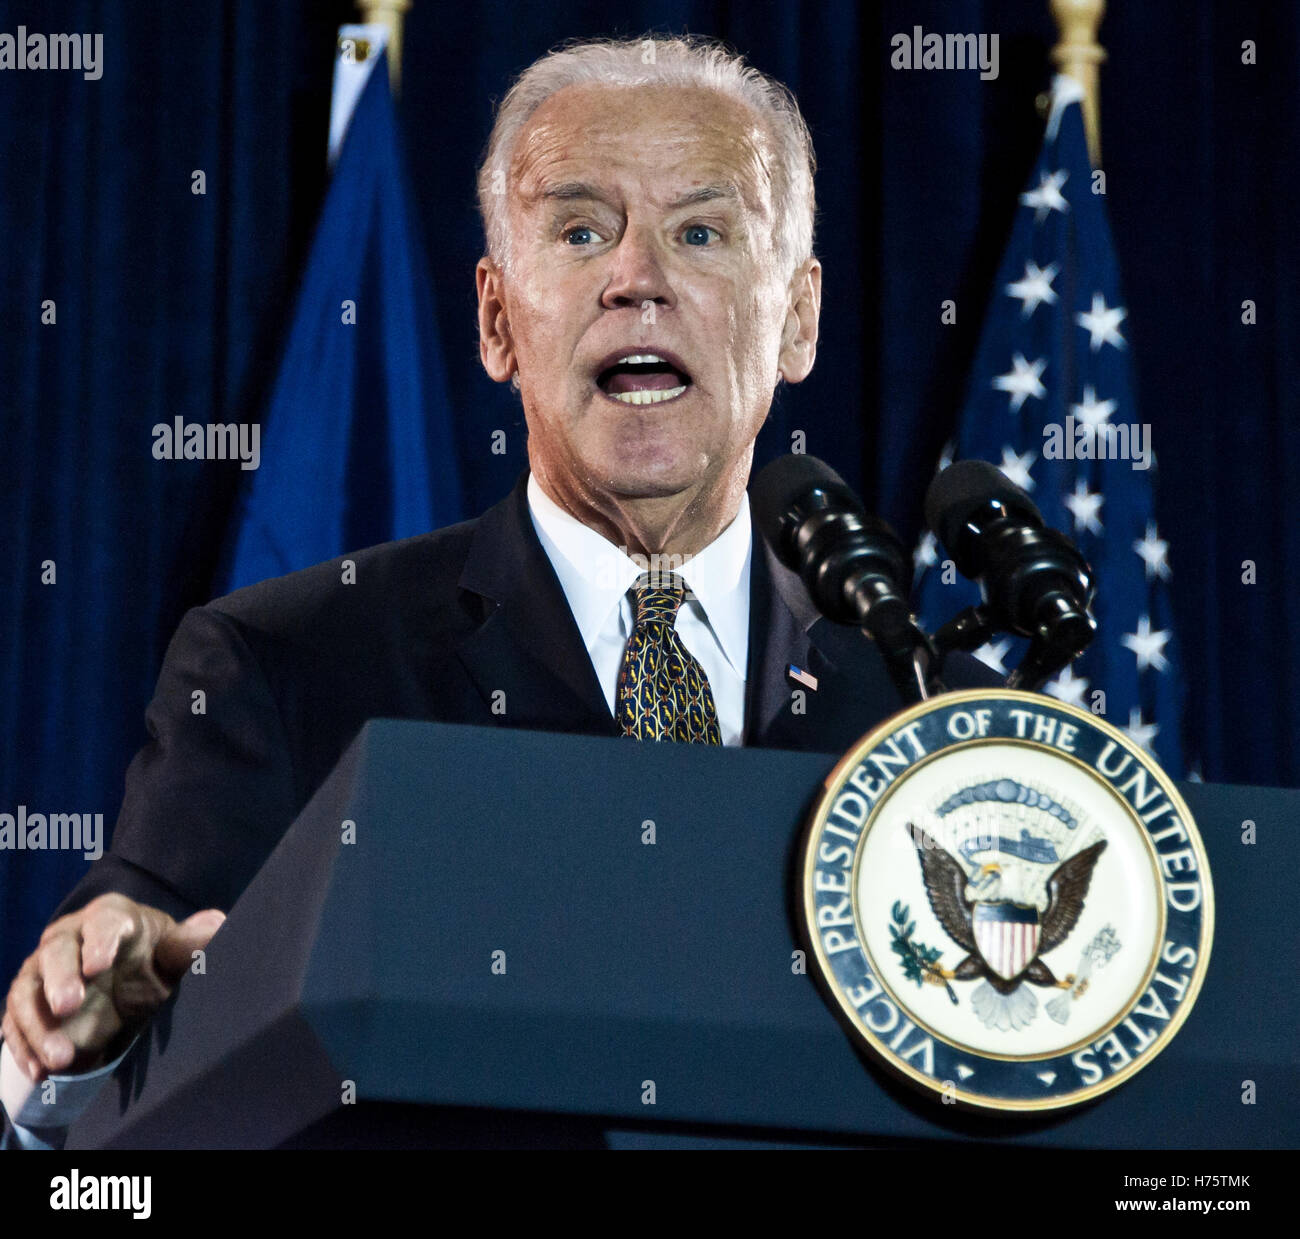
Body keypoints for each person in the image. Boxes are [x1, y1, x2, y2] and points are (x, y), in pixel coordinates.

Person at [1, 34, 993, 1148]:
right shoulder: (281, 664)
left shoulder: (939, 718)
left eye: (702, 232)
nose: (637, 279)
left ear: (797, 318)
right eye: (579, 231)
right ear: (494, 318)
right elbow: (128, 1040)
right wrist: (80, 1053)